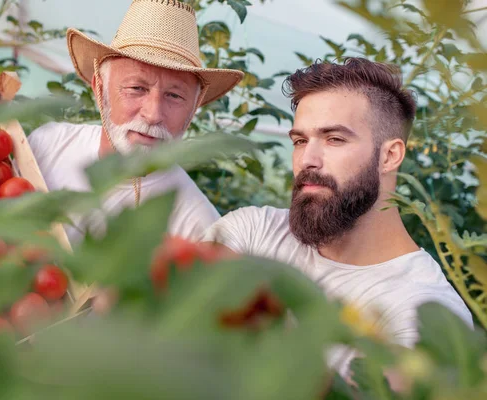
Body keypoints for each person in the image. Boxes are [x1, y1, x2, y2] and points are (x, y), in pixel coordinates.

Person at [200, 57, 473, 376]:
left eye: (335, 139)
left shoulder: (422, 317)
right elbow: (173, 315)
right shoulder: (253, 232)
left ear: (389, 155)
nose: (308, 160)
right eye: (300, 141)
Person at [27, 0, 244, 243]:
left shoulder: (198, 230)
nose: (153, 115)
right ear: (100, 88)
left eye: (174, 95)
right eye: (137, 88)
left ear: (193, 108)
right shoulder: (46, 144)